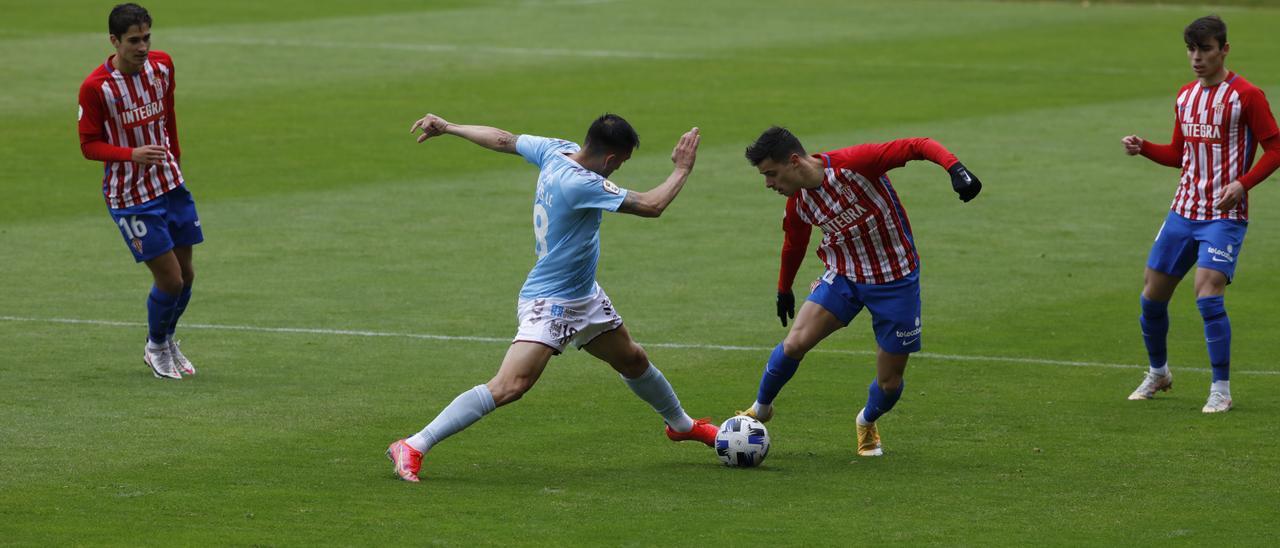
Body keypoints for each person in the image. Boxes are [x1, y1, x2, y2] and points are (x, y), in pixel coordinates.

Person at [387, 113, 716, 482]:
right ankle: (414, 444)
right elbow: (653, 205)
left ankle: (681, 425)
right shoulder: (582, 183)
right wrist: (682, 169)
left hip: (584, 295)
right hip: (550, 301)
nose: (619, 169)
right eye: (621, 163)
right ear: (610, 160)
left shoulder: (557, 150)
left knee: (633, 359)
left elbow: (503, 139)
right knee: (510, 385)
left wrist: (449, 127)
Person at [737, 126, 981, 456]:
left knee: (889, 383)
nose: (768, 184)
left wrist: (955, 168)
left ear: (794, 161)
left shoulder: (856, 164)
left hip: (895, 279)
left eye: (771, 174)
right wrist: (784, 289)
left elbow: (916, 145)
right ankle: (761, 408)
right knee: (794, 342)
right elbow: (794, 245)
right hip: (845, 277)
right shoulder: (799, 203)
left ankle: (866, 420)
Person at [1122, 15, 1280, 413]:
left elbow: (1276, 149)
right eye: (1191, 49)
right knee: (1151, 298)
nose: (1196, 57)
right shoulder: (1185, 96)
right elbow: (1179, 154)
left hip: (1224, 217)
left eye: (1205, 49)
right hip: (1182, 211)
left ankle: (1220, 389)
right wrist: (1145, 148)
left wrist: (1243, 183)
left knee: (1207, 294)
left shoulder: (1247, 96)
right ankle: (1159, 373)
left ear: (1223, 50)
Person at [78, 3, 201, 380]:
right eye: (134, 40)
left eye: (146, 37)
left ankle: (166, 340)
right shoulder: (96, 88)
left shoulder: (163, 66)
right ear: (114, 41)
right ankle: (155, 346)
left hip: (170, 184)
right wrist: (131, 154)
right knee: (170, 279)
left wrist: (176, 162)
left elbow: (169, 116)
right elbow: (88, 145)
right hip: (131, 197)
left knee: (188, 275)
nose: (143, 46)